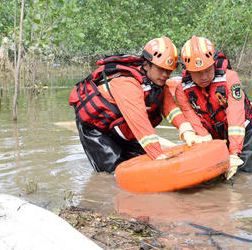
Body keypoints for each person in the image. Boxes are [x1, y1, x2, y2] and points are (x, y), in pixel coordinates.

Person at [69, 36, 202, 173]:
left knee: (143, 160)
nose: (165, 75)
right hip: (97, 129)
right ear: (146, 64)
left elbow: (171, 108)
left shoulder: (158, 83)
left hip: (122, 128)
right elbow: (140, 123)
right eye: (160, 69)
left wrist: (187, 131)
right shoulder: (126, 83)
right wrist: (159, 156)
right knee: (112, 173)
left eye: (168, 71)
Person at [175, 36, 252, 180]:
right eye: (197, 72)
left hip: (240, 128)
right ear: (188, 70)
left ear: (214, 63)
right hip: (212, 129)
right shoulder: (182, 90)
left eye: (207, 69)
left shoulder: (230, 78)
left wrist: (234, 153)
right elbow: (194, 121)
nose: (204, 76)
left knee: (242, 174)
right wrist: (208, 147)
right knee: (211, 175)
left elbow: (236, 115)